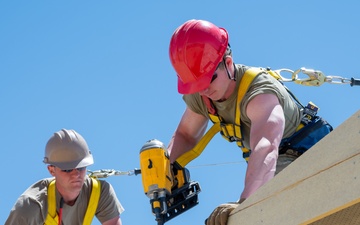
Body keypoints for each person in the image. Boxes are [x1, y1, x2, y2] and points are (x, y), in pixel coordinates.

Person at [167, 19, 332, 225]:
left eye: (208, 80)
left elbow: (266, 148)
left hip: (308, 156)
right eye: (196, 85)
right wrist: (165, 173)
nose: (203, 90)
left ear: (228, 64)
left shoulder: (259, 93)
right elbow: (186, 135)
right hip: (272, 165)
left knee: (258, 216)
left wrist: (245, 204)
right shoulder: (204, 93)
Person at [5, 128, 124, 225]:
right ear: (52, 170)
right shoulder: (30, 207)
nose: (76, 174)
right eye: (67, 169)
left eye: (81, 167)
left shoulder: (100, 192)